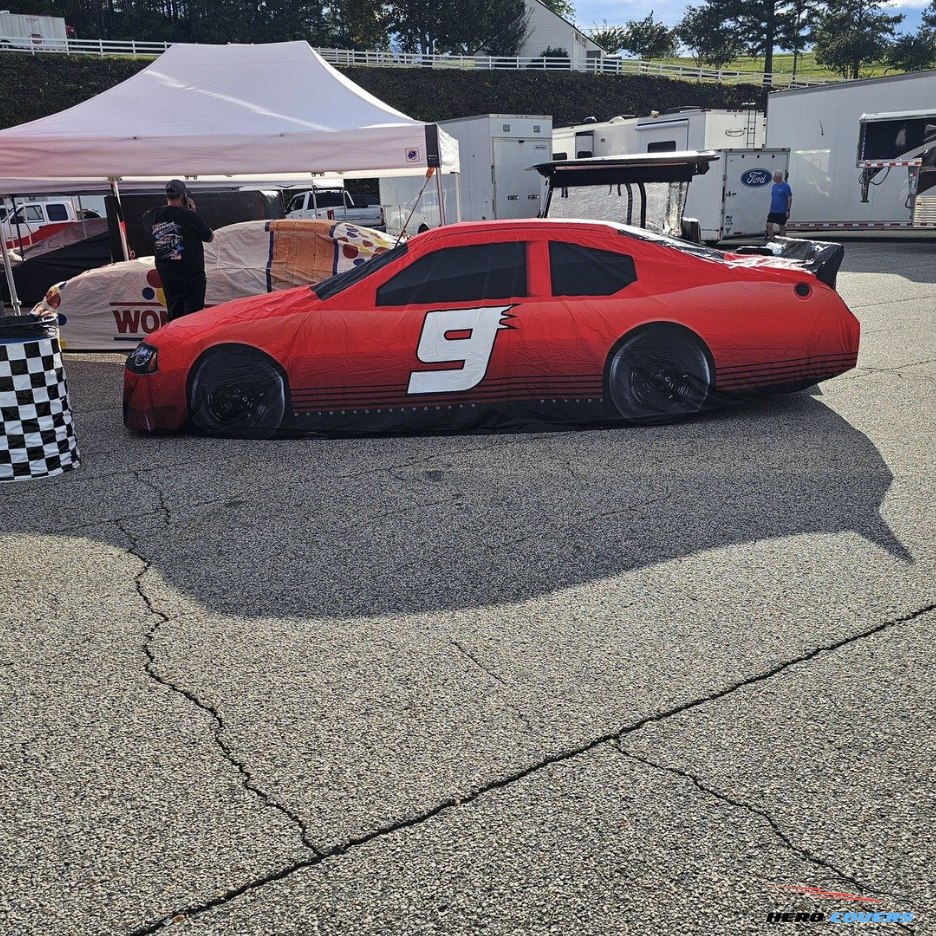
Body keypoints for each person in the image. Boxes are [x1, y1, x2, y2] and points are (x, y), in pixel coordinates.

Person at [143, 180, 214, 321]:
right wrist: (191, 213)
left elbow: (147, 224)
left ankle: (174, 341)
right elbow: (209, 236)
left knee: (174, 314)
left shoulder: (153, 214)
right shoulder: (189, 216)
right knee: (193, 316)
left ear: (167, 196)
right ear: (183, 196)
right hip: (191, 276)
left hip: (168, 275)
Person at [766, 171, 793, 240]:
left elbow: (789, 198)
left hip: (782, 211)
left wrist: (788, 210)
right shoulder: (774, 186)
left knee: (781, 227)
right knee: (768, 225)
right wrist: (770, 209)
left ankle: (783, 240)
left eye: (774, 177)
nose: (773, 179)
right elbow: (773, 198)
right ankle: (772, 240)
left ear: (779, 177)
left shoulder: (786, 186)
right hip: (773, 210)